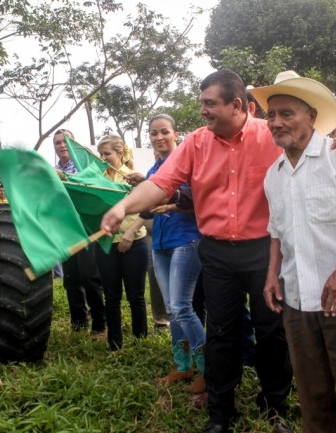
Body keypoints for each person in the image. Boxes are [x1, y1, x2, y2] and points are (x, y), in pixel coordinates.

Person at [101, 70, 293, 433]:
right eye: (201, 102)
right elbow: (161, 183)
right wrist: (123, 207)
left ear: (237, 105)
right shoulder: (196, 143)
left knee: (272, 330)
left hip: (265, 251)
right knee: (221, 331)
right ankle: (221, 413)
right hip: (216, 252)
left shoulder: (270, 135)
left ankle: (275, 405)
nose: (202, 111)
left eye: (210, 104)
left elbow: (312, 149)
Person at [257, 70, 336, 433]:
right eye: (271, 115)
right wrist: (271, 275)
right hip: (298, 299)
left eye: (287, 113)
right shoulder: (275, 173)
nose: (277, 122)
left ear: (311, 116)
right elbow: (277, 231)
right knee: (313, 393)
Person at [140, 114, 205, 394]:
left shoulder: (189, 163)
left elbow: (198, 200)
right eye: (154, 133)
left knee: (182, 306)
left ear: (176, 133)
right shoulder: (153, 170)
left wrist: (171, 203)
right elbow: (145, 211)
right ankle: (182, 366)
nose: (159, 137)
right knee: (173, 311)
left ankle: (209, 369)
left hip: (187, 240)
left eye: (164, 131)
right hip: (160, 244)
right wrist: (137, 188)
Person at [95, 135, 148, 351]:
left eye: (107, 153)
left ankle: (140, 341)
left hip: (134, 241)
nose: (104, 158)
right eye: (101, 154)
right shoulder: (97, 178)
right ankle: (115, 344)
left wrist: (131, 232)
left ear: (120, 153)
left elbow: (148, 208)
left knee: (136, 296)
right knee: (112, 296)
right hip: (107, 244)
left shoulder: (133, 178)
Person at [52, 129, 106, 336]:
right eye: (57, 143)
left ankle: (100, 324)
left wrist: (63, 177)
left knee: (89, 276)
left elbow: (87, 187)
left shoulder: (86, 166)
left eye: (66, 141)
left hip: (87, 229)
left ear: (74, 144)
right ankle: (78, 323)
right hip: (66, 230)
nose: (62, 145)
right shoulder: (53, 170)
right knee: (71, 278)